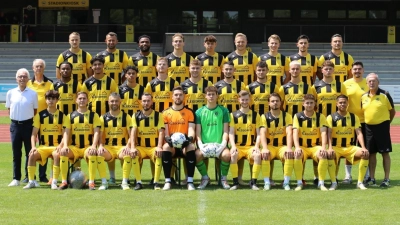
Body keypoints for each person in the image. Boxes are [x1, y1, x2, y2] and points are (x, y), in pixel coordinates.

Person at [80, 56, 119, 184]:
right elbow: (82, 99)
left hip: (107, 119)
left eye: (99, 64)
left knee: (107, 147)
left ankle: (112, 177)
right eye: (95, 65)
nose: (97, 67)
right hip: (90, 119)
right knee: (88, 147)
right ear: (92, 67)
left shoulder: (110, 81)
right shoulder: (87, 83)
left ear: (103, 66)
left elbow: (116, 98)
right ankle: (84, 176)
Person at [54, 92, 101, 190]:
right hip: (74, 147)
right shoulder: (70, 116)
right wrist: (65, 145)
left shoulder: (94, 115)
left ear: (87, 100)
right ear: (76, 100)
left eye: (84, 98)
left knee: (92, 154)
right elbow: (66, 132)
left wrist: (93, 146)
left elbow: (97, 132)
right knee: (63, 153)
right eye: (80, 98)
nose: (82, 100)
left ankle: (91, 182)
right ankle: (64, 182)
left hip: (87, 147)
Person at [292, 94, 336, 191]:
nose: (309, 105)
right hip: (303, 147)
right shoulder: (297, 116)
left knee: (323, 154)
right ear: (303, 104)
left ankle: (321, 183)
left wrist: (324, 147)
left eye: (311, 103)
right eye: (307, 103)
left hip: (315, 146)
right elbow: (295, 132)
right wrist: (297, 147)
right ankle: (299, 183)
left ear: (315, 104)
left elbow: (324, 133)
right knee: (297, 155)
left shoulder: (320, 116)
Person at [98, 93, 141, 190]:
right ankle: (104, 182)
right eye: (112, 101)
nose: (114, 103)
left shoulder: (127, 117)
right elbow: (100, 136)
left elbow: (131, 135)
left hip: (122, 147)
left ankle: (124, 182)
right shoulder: (103, 118)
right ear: (108, 102)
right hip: (109, 148)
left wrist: (128, 146)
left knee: (127, 154)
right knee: (100, 154)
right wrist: (100, 146)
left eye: (116, 101)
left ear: (120, 102)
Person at [23, 90, 65, 189]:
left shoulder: (62, 116)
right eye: (49, 99)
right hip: (43, 147)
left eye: (53, 99)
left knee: (56, 154)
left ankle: (54, 181)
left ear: (57, 100)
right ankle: (31, 181)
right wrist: (33, 147)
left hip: (56, 146)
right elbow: (33, 134)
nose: (51, 101)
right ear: (46, 100)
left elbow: (65, 134)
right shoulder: (40, 115)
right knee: (32, 155)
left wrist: (60, 145)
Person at [326, 95, 369, 190]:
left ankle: (360, 182)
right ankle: (334, 182)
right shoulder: (331, 117)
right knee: (330, 154)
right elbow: (328, 133)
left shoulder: (354, 117)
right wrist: (329, 148)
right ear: (336, 104)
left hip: (350, 147)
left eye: (344, 102)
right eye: (340, 102)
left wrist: (363, 147)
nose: (342, 104)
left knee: (365, 154)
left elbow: (359, 133)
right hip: (336, 147)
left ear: (347, 103)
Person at [361, 73, 395, 187]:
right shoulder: (364, 96)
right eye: (369, 81)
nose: (371, 83)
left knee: (385, 152)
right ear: (366, 83)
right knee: (371, 154)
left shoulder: (385, 94)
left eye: (374, 81)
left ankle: (386, 179)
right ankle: (372, 178)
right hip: (368, 128)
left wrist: (386, 123)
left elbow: (392, 111)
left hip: (382, 127)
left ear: (378, 82)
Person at [195, 86, 231, 189]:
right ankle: (205, 178)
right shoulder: (199, 112)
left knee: (227, 155)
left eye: (213, 94)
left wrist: (223, 144)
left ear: (217, 96)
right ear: (205, 96)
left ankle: (223, 179)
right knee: (196, 155)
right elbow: (198, 132)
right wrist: (201, 145)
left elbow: (225, 131)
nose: (211, 96)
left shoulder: (223, 111)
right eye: (209, 94)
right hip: (205, 145)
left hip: (219, 145)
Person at [6, 68, 38, 187]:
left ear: (28, 79)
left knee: (30, 153)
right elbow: (9, 109)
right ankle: (16, 178)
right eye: (20, 76)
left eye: (24, 76)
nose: (22, 79)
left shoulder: (33, 94)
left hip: (28, 125)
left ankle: (30, 178)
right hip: (15, 125)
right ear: (16, 78)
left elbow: (35, 110)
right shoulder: (10, 93)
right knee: (16, 153)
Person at [161, 86, 197, 190]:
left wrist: (189, 139)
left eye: (180, 95)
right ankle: (168, 181)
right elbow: (166, 132)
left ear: (184, 97)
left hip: (184, 144)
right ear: (172, 97)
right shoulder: (166, 112)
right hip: (172, 145)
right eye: (176, 95)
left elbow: (191, 129)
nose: (178, 97)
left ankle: (190, 181)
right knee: (166, 147)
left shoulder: (189, 112)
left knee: (191, 147)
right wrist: (168, 139)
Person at [259, 93, 294, 191]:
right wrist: (265, 148)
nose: (275, 103)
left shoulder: (287, 116)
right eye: (273, 101)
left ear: (281, 103)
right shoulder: (264, 116)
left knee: (289, 154)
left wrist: (289, 148)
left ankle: (286, 182)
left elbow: (289, 133)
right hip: (270, 146)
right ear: (269, 103)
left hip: (282, 147)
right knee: (265, 155)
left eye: (277, 101)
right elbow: (263, 133)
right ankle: (267, 182)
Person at [228, 90, 261, 191]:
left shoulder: (256, 115)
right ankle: (235, 183)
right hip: (238, 147)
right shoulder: (233, 115)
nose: (245, 102)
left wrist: (256, 147)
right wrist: (233, 146)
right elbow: (231, 133)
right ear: (239, 100)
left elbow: (259, 133)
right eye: (243, 100)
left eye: (247, 99)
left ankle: (253, 183)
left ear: (250, 100)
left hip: (251, 147)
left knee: (257, 155)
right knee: (233, 155)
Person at [341, 61, 368, 183]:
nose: (357, 71)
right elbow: (341, 101)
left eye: (359, 69)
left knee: (366, 148)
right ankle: (348, 176)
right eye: (355, 69)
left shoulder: (368, 83)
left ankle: (367, 175)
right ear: (351, 71)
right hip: (349, 121)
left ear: (363, 70)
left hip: (365, 120)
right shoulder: (345, 84)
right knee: (349, 147)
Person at [131, 93, 165, 190]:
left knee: (158, 155)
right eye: (144, 101)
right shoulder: (135, 116)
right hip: (141, 147)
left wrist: (159, 146)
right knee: (134, 155)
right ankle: (138, 182)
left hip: (153, 147)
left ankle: (156, 182)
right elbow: (133, 132)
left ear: (152, 102)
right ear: (141, 102)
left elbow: (161, 132)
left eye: (148, 101)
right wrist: (133, 148)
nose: (146, 103)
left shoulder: (158, 115)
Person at [27, 59, 53, 183]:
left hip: (45, 120)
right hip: (29, 120)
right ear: (33, 68)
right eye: (37, 66)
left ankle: (42, 175)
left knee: (44, 146)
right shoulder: (28, 83)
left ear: (44, 68)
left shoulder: (50, 83)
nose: (39, 68)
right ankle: (29, 175)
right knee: (29, 148)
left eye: (41, 66)